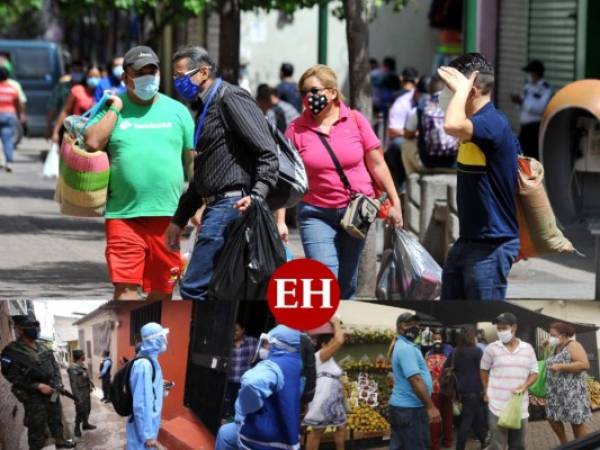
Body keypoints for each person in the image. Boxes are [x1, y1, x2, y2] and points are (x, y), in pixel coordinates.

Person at [166, 45, 278, 301]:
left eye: (182, 75)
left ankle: (203, 340)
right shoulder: (205, 108)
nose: (178, 82)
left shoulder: (230, 98)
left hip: (231, 204)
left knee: (194, 287)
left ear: (203, 72)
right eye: (175, 77)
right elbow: (204, 175)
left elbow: (267, 151)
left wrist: (258, 194)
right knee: (217, 288)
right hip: (216, 205)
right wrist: (179, 218)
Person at [280, 64, 402, 299]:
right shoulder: (296, 129)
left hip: (356, 212)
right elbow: (286, 177)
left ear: (333, 92)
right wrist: (281, 221)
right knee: (325, 277)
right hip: (316, 212)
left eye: (314, 91)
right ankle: (324, 328)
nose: (308, 98)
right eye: (304, 93)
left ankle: (340, 328)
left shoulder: (354, 120)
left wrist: (395, 202)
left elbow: (378, 164)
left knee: (347, 282)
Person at [84, 46, 195, 300]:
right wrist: (114, 109)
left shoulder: (178, 111)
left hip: (168, 217)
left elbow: (193, 162)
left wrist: (198, 205)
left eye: (152, 71)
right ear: (126, 78)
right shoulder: (112, 106)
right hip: (123, 215)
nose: (148, 76)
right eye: (140, 72)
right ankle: (128, 339)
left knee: (162, 290)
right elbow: (92, 142)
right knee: (125, 288)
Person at [437, 53, 520, 300]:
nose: (444, 95)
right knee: (452, 325)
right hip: (467, 241)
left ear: (470, 92)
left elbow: (451, 125)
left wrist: (461, 89)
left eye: (449, 89)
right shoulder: (478, 125)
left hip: (492, 247)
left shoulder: (492, 123)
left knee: (484, 327)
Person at [215, 325, 304, 450]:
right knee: (225, 433)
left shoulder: (273, 366)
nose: (264, 347)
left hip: (263, 437)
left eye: (268, 343)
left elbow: (251, 383)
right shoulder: (298, 364)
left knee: (226, 434)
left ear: (279, 345)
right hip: (288, 433)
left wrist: (241, 419)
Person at [0, 314, 76, 449]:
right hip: (34, 398)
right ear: (19, 329)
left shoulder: (44, 348)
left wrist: (58, 382)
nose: (36, 329)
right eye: (31, 327)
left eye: (37, 326)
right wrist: (37, 386)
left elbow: (55, 367)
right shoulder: (11, 352)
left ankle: (60, 441)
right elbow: (12, 376)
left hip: (53, 392)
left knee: (56, 417)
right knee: (37, 426)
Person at [480, 313, 538, 450]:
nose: (501, 332)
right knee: (497, 445)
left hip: (520, 408)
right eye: (498, 329)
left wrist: (525, 386)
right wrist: (486, 390)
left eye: (504, 328)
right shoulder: (491, 348)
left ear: (514, 328)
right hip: (496, 406)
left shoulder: (528, 349)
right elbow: (483, 369)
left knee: (518, 445)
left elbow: (535, 372)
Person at [389, 313, 440, 450]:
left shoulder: (406, 346)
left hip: (404, 409)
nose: (414, 327)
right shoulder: (406, 348)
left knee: (401, 445)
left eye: (416, 324)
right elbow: (415, 379)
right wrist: (430, 407)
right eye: (408, 324)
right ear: (399, 328)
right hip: (410, 410)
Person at [402, 75, 458, 177]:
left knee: (406, 144)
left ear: (430, 91)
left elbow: (408, 135)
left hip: (428, 163)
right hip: (455, 164)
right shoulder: (459, 106)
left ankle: (411, 179)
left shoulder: (420, 108)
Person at [545, 322, 591, 444]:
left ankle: (582, 446)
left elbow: (584, 364)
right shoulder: (555, 347)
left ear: (563, 335)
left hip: (572, 391)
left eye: (552, 335)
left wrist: (561, 366)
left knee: (576, 422)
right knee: (551, 417)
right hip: (555, 391)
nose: (550, 337)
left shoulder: (573, 345)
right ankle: (565, 444)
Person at [303, 318, 346, 450]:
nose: (335, 344)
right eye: (331, 342)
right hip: (321, 402)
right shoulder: (320, 356)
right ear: (323, 345)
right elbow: (340, 340)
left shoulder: (330, 359)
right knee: (317, 432)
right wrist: (336, 323)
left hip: (335, 402)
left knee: (341, 427)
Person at [126, 322, 169, 450]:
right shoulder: (144, 365)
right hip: (143, 429)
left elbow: (148, 390)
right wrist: (147, 436)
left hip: (147, 424)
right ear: (155, 340)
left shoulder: (149, 360)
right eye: (162, 337)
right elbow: (140, 403)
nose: (165, 341)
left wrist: (160, 387)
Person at [446, 327, 487, 450]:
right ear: (472, 337)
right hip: (475, 390)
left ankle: (485, 442)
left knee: (478, 420)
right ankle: (460, 447)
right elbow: (485, 369)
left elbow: (446, 366)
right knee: (467, 422)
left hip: (461, 391)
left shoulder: (455, 351)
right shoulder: (477, 351)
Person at [510, 60, 552, 160]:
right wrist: (518, 102)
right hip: (525, 128)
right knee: (521, 156)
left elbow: (541, 108)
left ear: (535, 73)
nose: (528, 75)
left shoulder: (546, 88)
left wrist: (522, 102)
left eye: (530, 72)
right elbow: (522, 105)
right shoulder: (528, 87)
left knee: (533, 156)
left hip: (535, 128)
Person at [385, 67, 419, 190]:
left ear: (401, 78)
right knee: (399, 145)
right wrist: (412, 133)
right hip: (402, 145)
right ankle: (402, 186)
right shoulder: (400, 102)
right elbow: (393, 130)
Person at [51, 65, 101, 144]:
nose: (93, 79)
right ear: (86, 77)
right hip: (75, 135)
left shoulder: (104, 95)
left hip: (94, 137)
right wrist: (55, 132)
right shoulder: (77, 90)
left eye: (96, 76)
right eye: (90, 76)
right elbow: (65, 111)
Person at [224, 323, 259, 418]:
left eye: (236, 330)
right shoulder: (225, 343)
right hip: (228, 381)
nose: (233, 333)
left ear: (243, 330)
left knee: (241, 405)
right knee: (227, 404)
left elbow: (263, 353)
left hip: (244, 382)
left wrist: (255, 359)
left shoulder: (252, 342)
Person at [425, 336, 453, 450]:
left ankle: (434, 444)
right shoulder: (447, 358)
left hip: (434, 391)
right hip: (447, 390)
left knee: (435, 417)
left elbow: (426, 374)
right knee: (448, 416)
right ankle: (448, 441)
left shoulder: (428, 359)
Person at [47, 61, 85, 139]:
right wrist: (49, 126)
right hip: (64, 125)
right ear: (70, 71)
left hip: (82, 127)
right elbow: (53, 107)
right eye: (75, 71)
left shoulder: (87, 88)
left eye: (79, 71)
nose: (77, 73)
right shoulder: (62, 87)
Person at [67, 349, 97, 437]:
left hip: (86, 392)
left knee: (88, 409)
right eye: (83, 354)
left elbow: (85, 377)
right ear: (80, 356)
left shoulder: (82, 366)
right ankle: (76, 428)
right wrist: (77, 398)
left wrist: (90, 385)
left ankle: (85, 424)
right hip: (80, 394)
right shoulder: (72, 368)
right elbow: (74, 385)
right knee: (80, 411)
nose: (84, 356)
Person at [0, 66, 23, 172]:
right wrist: (20, 114)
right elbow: (19, 103)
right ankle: (9, 162)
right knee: (8, 140)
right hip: (9, 115)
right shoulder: (12, 88)